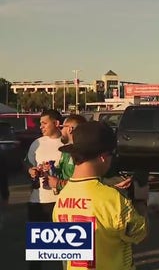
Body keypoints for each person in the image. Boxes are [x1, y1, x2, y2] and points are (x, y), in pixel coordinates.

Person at [52, 121, 148, 269]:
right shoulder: (114, 200)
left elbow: (63, 252)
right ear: (103, 156)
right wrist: (140, 200)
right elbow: (139, 233)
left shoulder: (62, 197)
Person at [26, 109, 63, 270]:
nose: (41, 126)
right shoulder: (37, 143)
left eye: (44, 123)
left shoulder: (67, 144)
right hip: (38, 200)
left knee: (65, 249)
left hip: (61, 201)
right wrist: (31, 170)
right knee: (37, 251)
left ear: (56, 123)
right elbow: (28, 163)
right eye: (40, 123)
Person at [46, 114, 87, 193]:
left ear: (70, 129)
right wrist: (51, 170)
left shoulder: (83, 152)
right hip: (65, 199)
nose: (61, 130)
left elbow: (83, 181)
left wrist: (58, 184)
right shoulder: (66, 151)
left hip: (79, 200)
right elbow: (63, 173)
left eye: (62, 127)